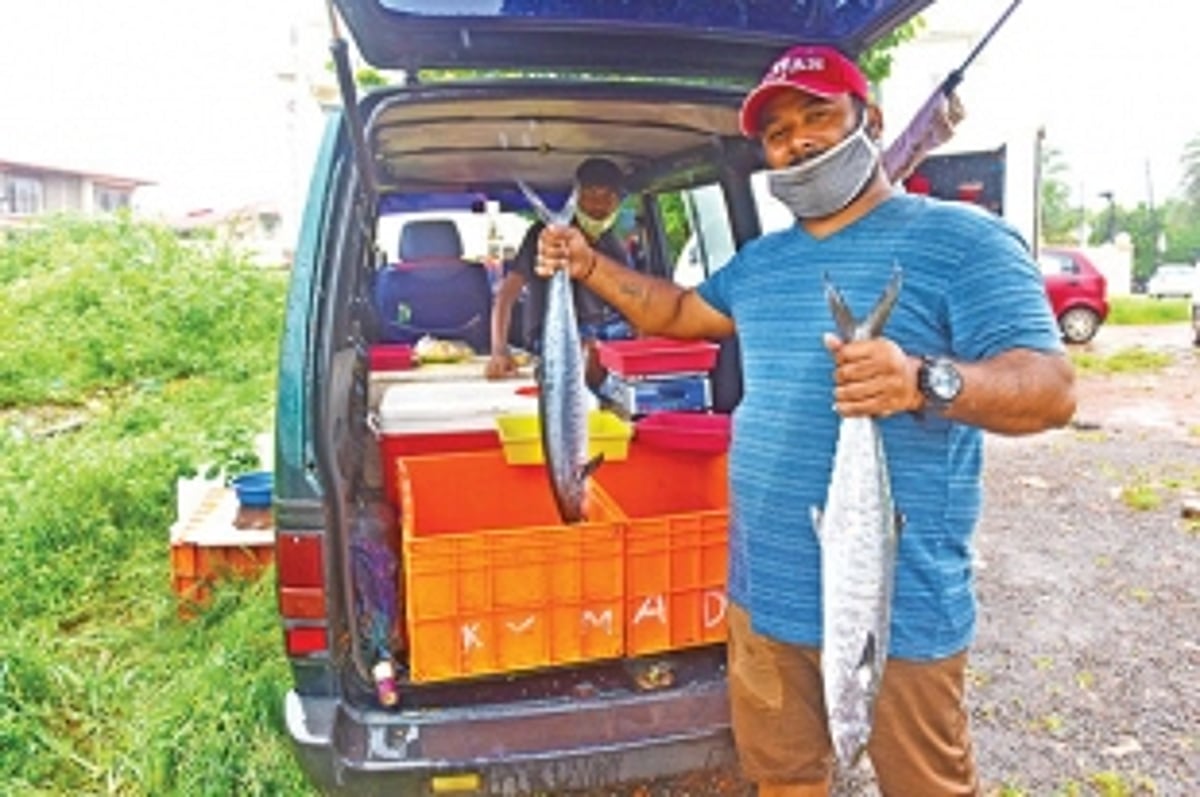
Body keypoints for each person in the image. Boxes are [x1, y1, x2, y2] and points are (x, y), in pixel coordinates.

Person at [535, 44, 1075, 797]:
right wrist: (588, 266)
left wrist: (925, 379)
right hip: (765, 594)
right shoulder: (763, 262)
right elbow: (681, 310)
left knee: (927, 786)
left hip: (900, 607)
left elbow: (1052, 388)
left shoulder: (964, 241)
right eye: (779, 132)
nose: (799, 141)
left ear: (872, 120)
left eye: (818, 115)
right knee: (783, 777)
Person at [484, 157, 635, 392]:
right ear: (576, 197)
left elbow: (630, 299)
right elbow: (506, 295)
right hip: (551, 334)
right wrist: (499, 350)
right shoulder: (546, 236)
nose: (598, 206)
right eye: (590, 196)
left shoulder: (613, 243)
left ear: (618, 202)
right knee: (590, 353)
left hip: (608, 330)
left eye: (608, 197)